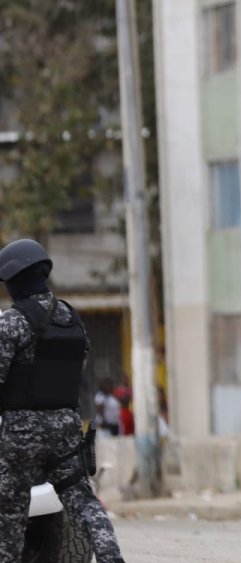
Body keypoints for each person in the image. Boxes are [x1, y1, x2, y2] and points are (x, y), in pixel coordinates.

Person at [0, 239, 125, 561]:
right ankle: (113, 558)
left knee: (10, 516)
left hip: (21, 435)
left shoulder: (11, 322)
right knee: (85, 504)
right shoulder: (72, 319)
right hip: (66, 431)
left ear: (14, 280)